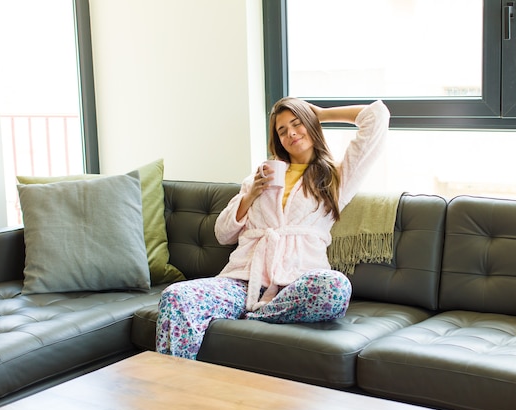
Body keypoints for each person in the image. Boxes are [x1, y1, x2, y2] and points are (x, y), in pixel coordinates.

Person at [156, 98, 390, 359]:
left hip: (295, 284)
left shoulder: (336, 178)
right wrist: (250, 195)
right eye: (282, 130)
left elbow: (377, 116)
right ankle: (173, 385)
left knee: (335, 288)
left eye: (297, 124)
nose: (291, 133)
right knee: (176, 296)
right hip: (242, 283)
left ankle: (256, 316)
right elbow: (222, 234)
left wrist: (321, 114)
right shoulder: (260, 177)